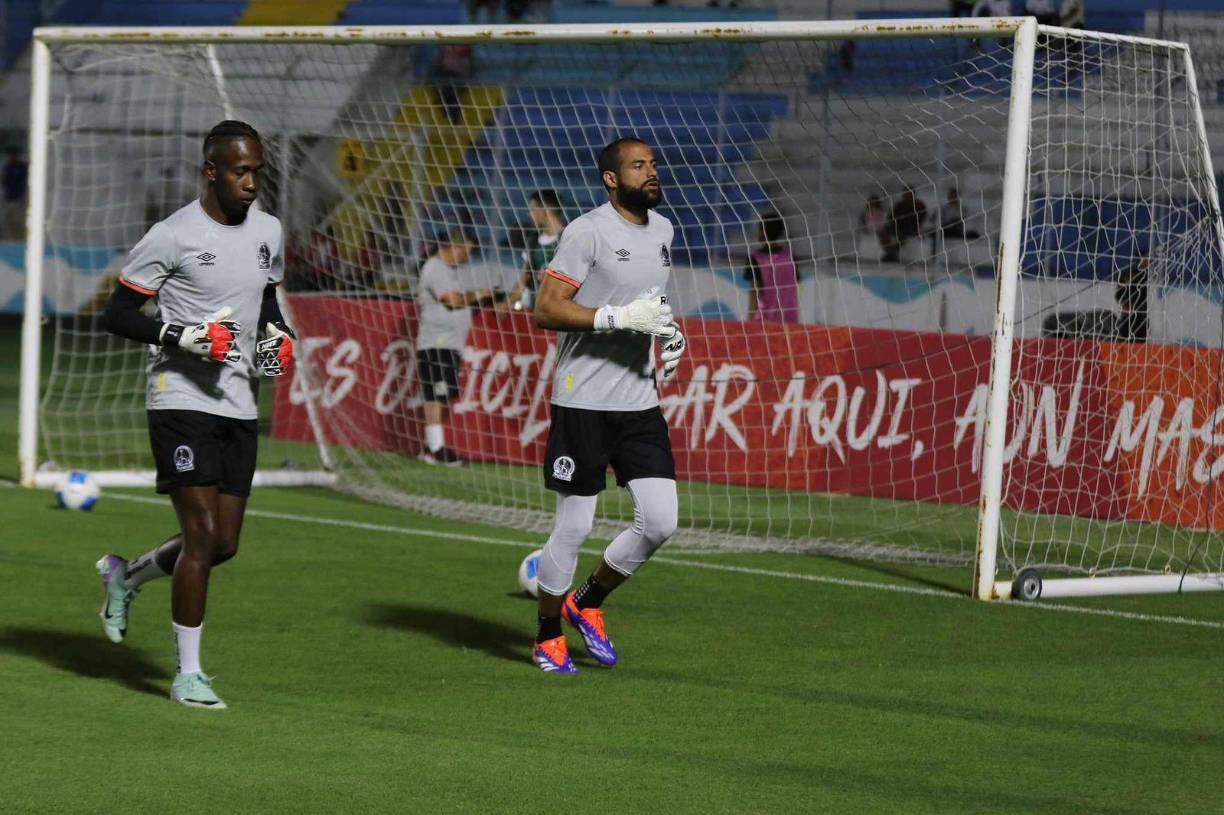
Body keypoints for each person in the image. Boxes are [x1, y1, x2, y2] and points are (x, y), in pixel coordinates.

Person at [95, 120, 294, 709]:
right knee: (202, 535)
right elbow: (117, 314)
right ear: (211, 171)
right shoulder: (172, 235)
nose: (251, 182)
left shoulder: (269, 231)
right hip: (179, 394)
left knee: (223, 543)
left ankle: (128, 576)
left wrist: (276, 337)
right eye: (240, 171)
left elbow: (266, 297)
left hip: (238, 399)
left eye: (257, 171)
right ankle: (188, 675)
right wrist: (179, 335)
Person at [530, 137, 686, 674]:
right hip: (584, 400)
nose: (651, 172)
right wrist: (615, 319)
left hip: (639, 400)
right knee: (574, 527)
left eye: (653, 163)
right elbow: (546, 309)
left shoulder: (664, 230)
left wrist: (667, 331)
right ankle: (547, 635)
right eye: (639, 166)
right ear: (611, 179)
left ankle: (587, 601)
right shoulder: (587, 231)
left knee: (661, 521)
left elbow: (649, 304)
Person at [415, 227, 495, 465]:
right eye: (467, 251)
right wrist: (479, 294)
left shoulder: (450, 271)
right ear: (455, 247)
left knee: (441, 395)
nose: (468, 257)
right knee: (436, 395)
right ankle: (435, 449)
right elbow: (451, 301)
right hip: (437, 344)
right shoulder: (436, 268)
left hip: (448, 345)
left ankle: (431, 446)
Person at [507, 189, 566, 312]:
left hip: (561, 314)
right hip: (537, 313)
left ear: (546, 210)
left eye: (533, 209)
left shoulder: (569, 239)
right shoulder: (533, 241)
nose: (530, 214)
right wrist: (506, 304)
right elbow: (524, 279)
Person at [743, 210, 799, 323]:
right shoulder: (790, 257)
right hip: (789, 320)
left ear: (763, 231)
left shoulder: (756, 258)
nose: (757, 233)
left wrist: (749, 320)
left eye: (759, 229)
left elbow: (755, 292)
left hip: (765, 320)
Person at [880, 186, 928, 263]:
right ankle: (890, 251)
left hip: (912, 227)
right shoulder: (899, 205)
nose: (906, 196)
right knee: (883, 230)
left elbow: (920, 219)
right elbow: (890, 217)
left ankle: (892, 252)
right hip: (897, 225)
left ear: (913, 194)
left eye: (908, 194)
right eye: (905, 194)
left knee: (902, 230)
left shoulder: (919, 205)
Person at [3, 147, 28, 239]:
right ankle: (10, 239)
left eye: (13, 155)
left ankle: (21, 238)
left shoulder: (22, 167)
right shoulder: (7, 167)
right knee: (8, 220)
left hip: (19, 199)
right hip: (8, 198)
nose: (12, 157)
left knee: (19, 221)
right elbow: (4, 182)